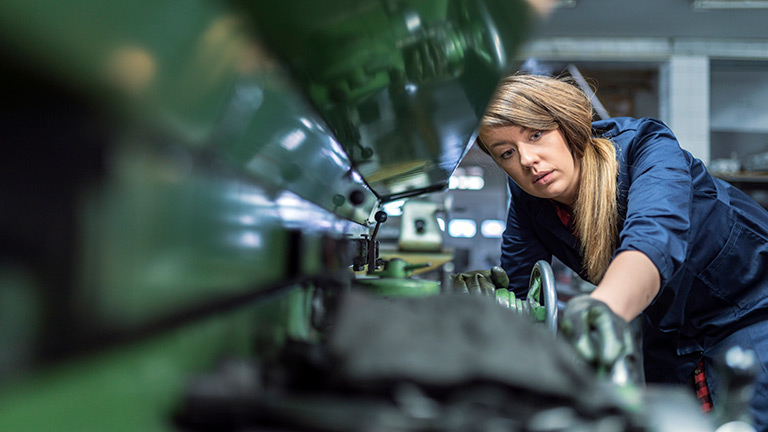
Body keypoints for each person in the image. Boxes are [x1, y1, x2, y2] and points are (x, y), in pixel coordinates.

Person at [465, 73, 768, 428]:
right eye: (507, 153)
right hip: (669, 334)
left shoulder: (646, 147)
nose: (528, 159)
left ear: (566, 125)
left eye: (535, 134)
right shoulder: (531, 201)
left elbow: (653, 239)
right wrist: (484, 312)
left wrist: (601, 309)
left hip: (751, 312)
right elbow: (518, 288)